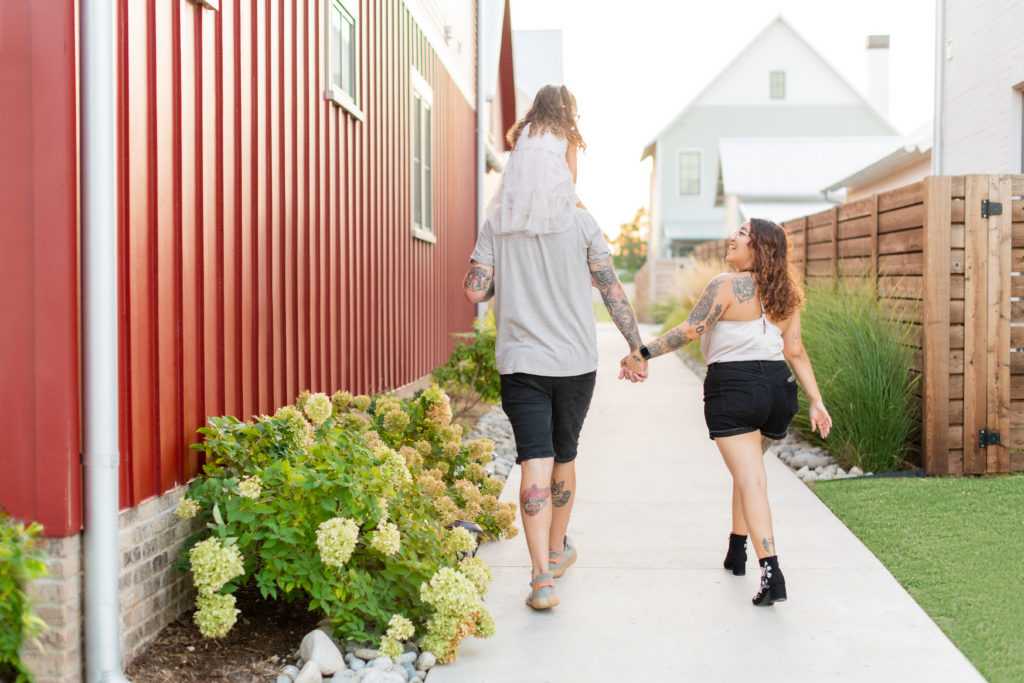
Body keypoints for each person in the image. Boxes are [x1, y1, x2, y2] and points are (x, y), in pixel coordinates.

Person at [463, 84, 644, 610]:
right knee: (564, 456)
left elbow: (475, 290)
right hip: (574, 364)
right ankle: (559, 549)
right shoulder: (582, 222)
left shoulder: (498, 221)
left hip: (521, 363)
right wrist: (637, 349)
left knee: (532, 465)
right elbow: (612, 291)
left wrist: (503, 275)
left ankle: (541, 577)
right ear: (564, 161)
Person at [622, 218, 832, 606]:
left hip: (734, 389)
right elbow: (796, 351)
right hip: (778, 392)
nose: (731, 237)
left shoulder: (724, 285)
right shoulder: (786, 292)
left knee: (750, 478)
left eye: (741, 233)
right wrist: (816, 400)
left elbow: (691, 329)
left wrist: (642, 352)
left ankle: (772, 572)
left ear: (759, 247)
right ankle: (738, 548)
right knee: (748, 470)